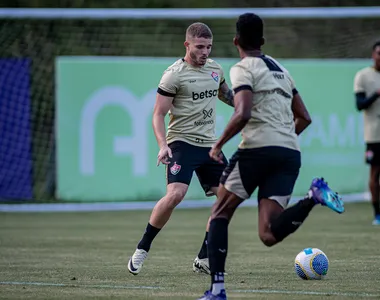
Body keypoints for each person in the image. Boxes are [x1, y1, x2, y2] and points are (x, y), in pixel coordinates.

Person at [197, 13, 345, 300]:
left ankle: (217, 290)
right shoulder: (281, 70)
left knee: (219, 214)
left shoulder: (242, 68)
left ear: (235, 41)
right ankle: (312, 197)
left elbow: (243, 112)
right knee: (268, 234)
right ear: (262, 41)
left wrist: (218, 145)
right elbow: (304, 117)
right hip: (289, 154)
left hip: (256, 150)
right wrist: (282, 139)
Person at [128, 22, 234, 276]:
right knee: (176, 194)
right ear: (187, 45)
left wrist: (247, 103)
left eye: (208, 47)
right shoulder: (173, 75)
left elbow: (225, 94)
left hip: (209, 146)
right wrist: (162, 145)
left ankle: (204, 258)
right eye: (199, 47)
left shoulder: (215, 69)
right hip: (182, 143)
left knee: (228, 198)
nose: (205, 52)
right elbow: (158, 114)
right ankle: (143, 248)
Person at [354, 41, 380, 226]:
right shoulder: (363, 76)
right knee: (375, 174)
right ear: (373, 55)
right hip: (374, 134)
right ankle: (377, 213)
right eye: (379, 53)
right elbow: (359, 105)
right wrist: (377, 93)